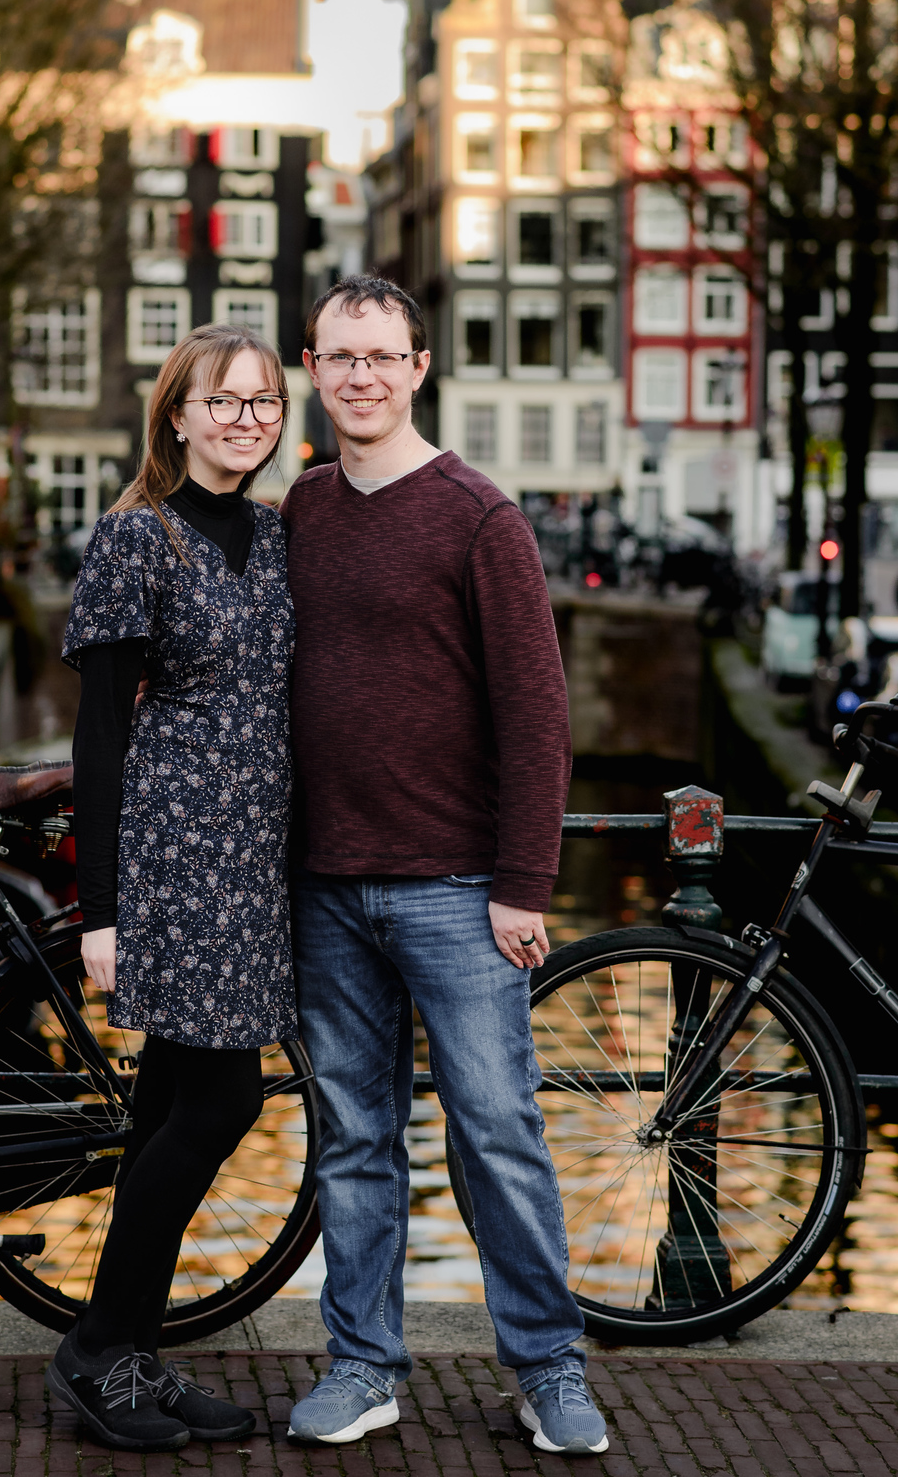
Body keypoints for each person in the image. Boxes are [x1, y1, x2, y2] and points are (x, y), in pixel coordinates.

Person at [281, 275, 608, 1458]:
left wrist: (526, 881)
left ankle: (548, 1364)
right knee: (354, 1140)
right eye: (337, 357)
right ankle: (363, 1365)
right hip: (322, 884)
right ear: (311, 369)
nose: (359, 376)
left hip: (457, 886)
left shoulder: (482, 518)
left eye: (380, 356)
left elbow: (538, 716)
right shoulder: (301, 510)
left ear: (419, 367)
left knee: (497, 1131)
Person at [52, 322, 296, 1452]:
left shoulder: (278, 534)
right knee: (225, 1099)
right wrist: (99, 907)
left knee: (165, 1104)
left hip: (256, 855)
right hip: (174, 850)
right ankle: (100, 1349)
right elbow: (100, 734)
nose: (247, 417)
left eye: (263, 401)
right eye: (225, 399)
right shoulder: (134, 538)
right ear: (178, 415)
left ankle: (131, 1357)